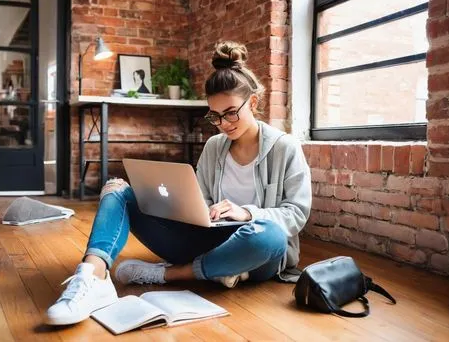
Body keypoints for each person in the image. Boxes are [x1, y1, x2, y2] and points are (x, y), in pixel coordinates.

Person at [46, 41, 312, 326]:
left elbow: (296, 212)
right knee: (118, 190)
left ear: (254, 103)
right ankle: (93, 277)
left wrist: (247, 213)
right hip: (208, 241)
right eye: (215, 116)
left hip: (257, 252)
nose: (224, 123)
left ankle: (169, 274)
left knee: (270, 235)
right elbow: (199, 201)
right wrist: (188, 209)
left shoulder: (286, 147)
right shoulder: (214, 147)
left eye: (231, 112)